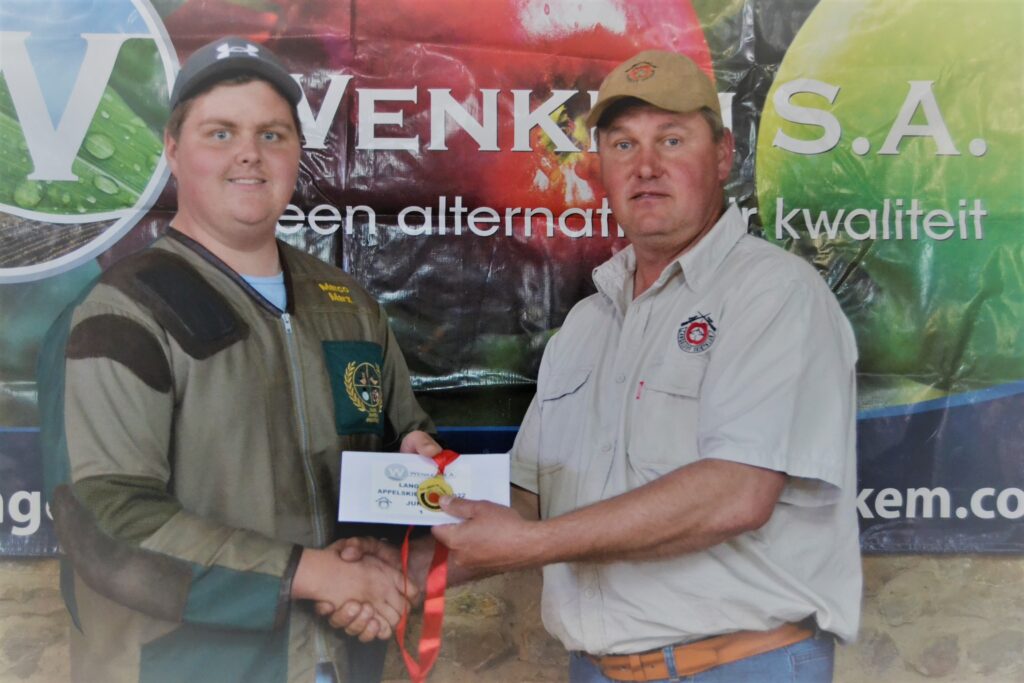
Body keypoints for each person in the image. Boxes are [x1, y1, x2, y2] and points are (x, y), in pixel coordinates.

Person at [418, 49, 861, 682]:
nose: (646, 166)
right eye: (623, 144)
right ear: (600, 165)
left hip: (737, 667)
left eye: (671, 140)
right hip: (597, 670)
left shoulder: (773, 294)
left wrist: (530, 545)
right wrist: (408, 554)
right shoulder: (588, 323)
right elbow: (528, 499)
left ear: (723, 155)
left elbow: (735, 495)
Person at [37, 36, 439, 683]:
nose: (249, 153)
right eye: (220, 133)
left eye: (272, 135)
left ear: (297, 153)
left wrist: (410, 493)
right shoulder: (118, 313)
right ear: (172, 150)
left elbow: (401, 445)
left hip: (338, 662)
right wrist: (313, 574)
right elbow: (107, 524)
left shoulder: (348, 306)